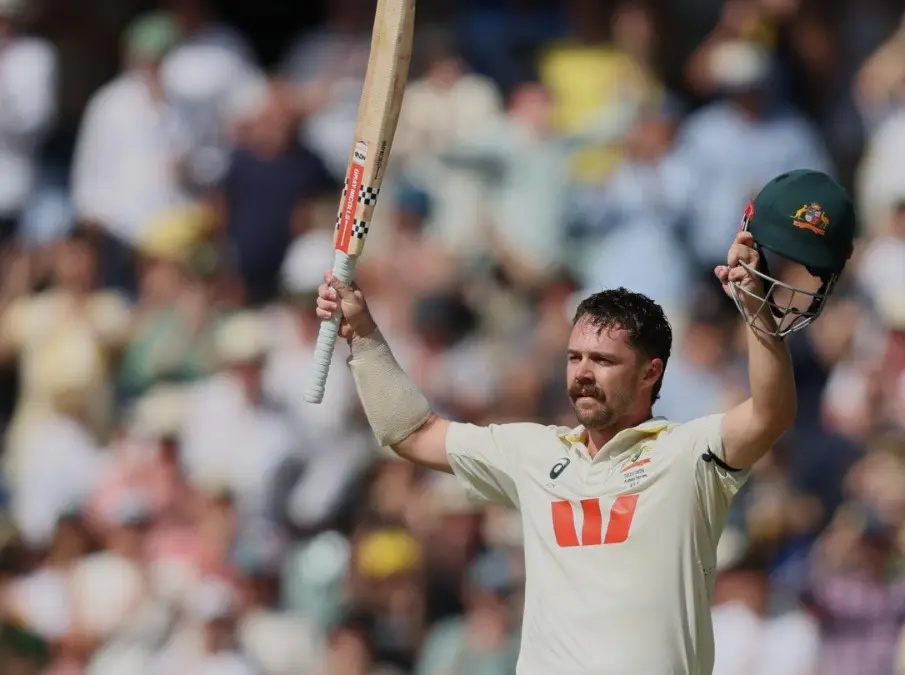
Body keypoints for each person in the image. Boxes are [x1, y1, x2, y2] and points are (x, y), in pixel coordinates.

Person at [314, 170, 856, 674]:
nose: (583, 375)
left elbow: (772, 412)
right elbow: (410, 433)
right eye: (575, 358)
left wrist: (755, 304)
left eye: (604, 362)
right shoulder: (533, 453)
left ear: (651, 372)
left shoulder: (690, 455)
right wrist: (362, 333)